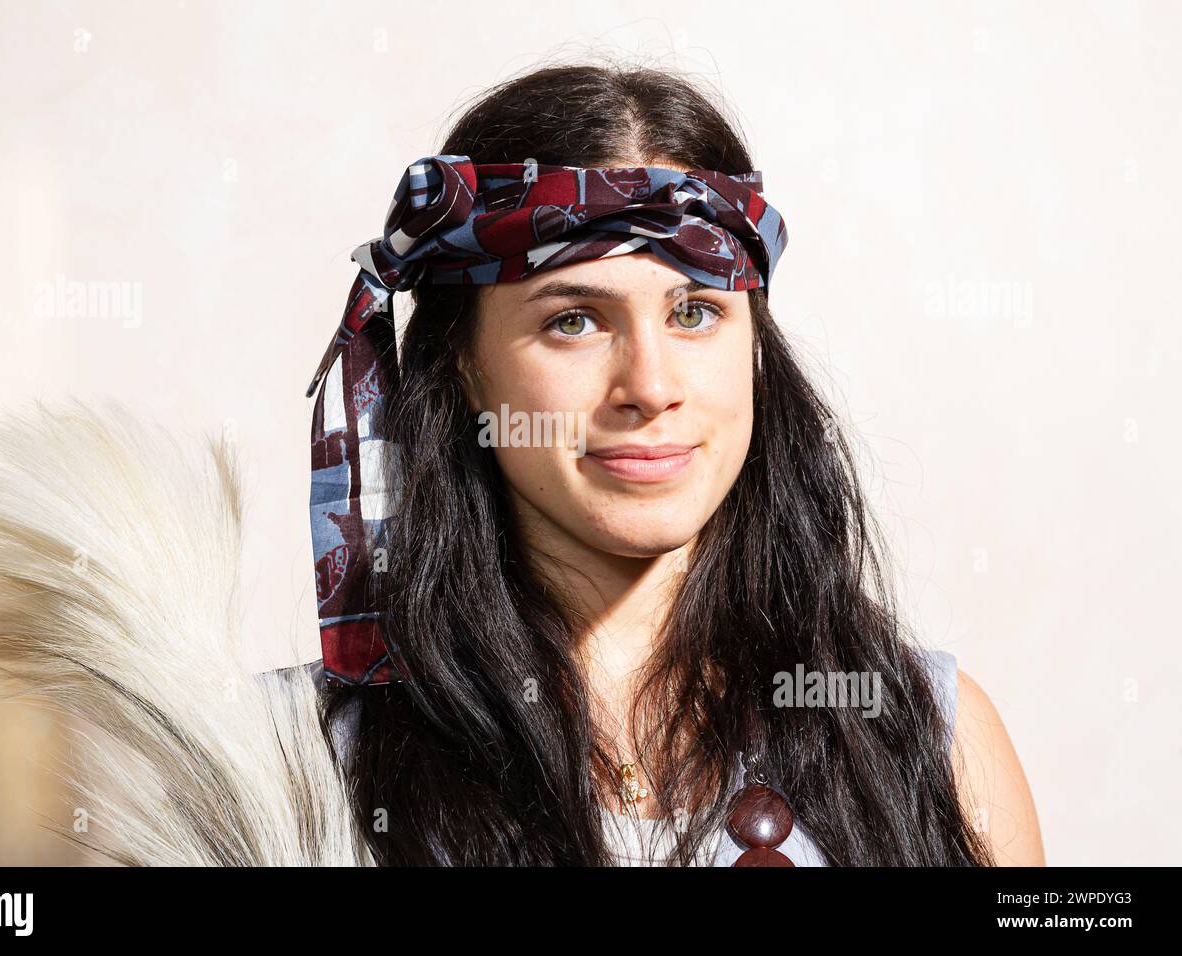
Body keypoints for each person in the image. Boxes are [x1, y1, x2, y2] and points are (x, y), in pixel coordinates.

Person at [310, 62, 1044, 867]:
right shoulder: (292, 762)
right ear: (462, 363)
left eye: (695, 312)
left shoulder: (931, 738)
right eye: (575, 321)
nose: (650, 387)